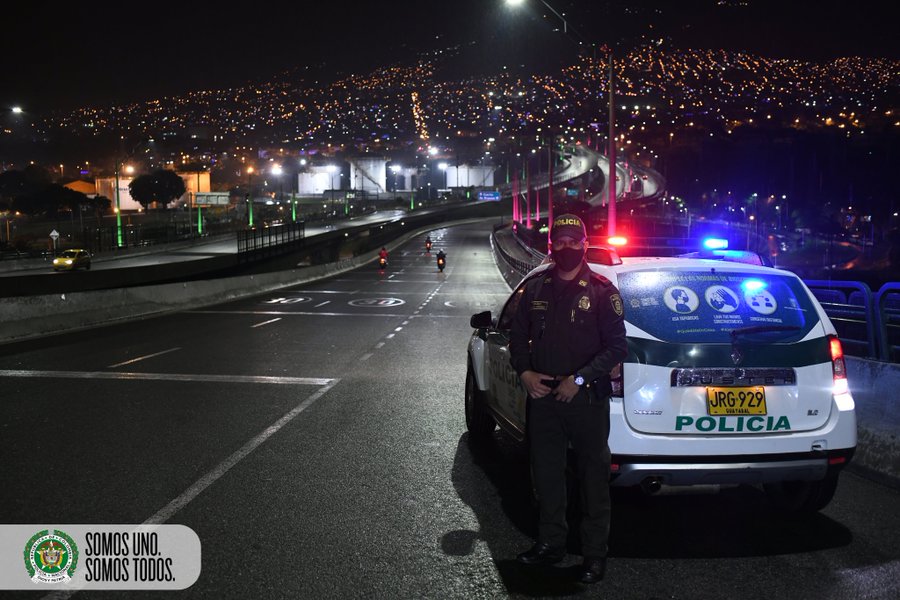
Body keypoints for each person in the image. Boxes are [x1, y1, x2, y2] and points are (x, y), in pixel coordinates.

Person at [508, 213, 628, 584]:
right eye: (559, 242)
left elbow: (617, 347)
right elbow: (517, 336)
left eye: (573, 242)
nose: (566, 248)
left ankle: (594, 556)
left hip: (585, 399)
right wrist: (525, 372)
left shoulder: (602, 290)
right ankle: (550, 545)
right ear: (552, 245)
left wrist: (579, 379)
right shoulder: (537, 289)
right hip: (543, 397)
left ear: (584, 245)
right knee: (546, 477)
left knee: (593, 479)